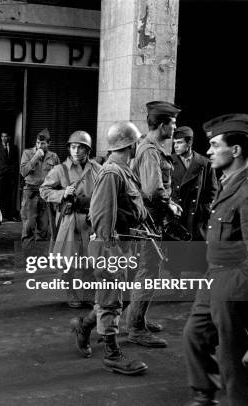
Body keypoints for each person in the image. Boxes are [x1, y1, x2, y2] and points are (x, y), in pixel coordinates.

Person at [183, 113, 248, 406]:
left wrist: (230, 288)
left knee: (235, 358)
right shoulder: (228, 181)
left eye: (215, 145)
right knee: (195, 335)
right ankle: (204, 394)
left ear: (236, 150)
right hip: (214, 276)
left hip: (233, 284)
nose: (208, 151)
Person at [69, 121, 149, 375]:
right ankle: (112, 354)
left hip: (121, 245)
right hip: (108, 246)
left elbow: (131, 209)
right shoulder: (113, 173)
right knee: (111, 300)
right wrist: (109, 252)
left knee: (116, 298)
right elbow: (102, 215)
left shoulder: (124, 170)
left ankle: (84, 326)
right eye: (137, 141)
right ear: (131, 144)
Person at [126, 100, 183, 348]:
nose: (175, 127)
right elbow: (152, 190)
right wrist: (169, 204)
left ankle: (138, 319)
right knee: (147, 273)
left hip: (147, 220)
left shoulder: (149, 147)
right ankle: (136, 329)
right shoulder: (150, 150)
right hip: (150, 221)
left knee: (146, 272)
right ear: (162, 125)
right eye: (172, 123)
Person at [40, 131, 101, 308]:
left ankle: (89, 294)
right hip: (70, 221)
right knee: (69, 261)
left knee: (91, 260)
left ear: (88, 150)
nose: (76, 151)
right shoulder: (59, 170)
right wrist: (62, 193)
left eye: (80, 147)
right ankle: (71, 292)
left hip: (91, 220)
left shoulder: (97, 169)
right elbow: (44, 191)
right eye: (73, 147)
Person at [169, 126, 217, 274]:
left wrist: (205, 209)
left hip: (195, 216)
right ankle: (175, 286)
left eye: (179, 143)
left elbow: (212, 190)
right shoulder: (169, 161)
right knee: (174, 255)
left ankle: (195, 288)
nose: (175, 146)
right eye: (174, 143)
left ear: (189, 143)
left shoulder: (204, 163)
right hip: (176, 213)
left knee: (196, 257)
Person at [19, 129, 60, 250]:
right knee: (28, 226)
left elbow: (59, 176)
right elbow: (23, 172)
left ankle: (39, 259)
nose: (39, 146)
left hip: (46, 194)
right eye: (37, 143)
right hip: (30, 193)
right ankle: (27, 258)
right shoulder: (27, 153)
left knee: (44, 228)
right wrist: (35, 157)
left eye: (42, 143)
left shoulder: (54, 157)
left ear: (49, 143)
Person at [0, 132, 19, 221]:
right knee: (0, 195)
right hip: (0, 175)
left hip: (11, 176)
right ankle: (0, 216)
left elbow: (16, 161)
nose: (4, 138)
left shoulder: (14, 148)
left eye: (6, 136)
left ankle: (10, 215)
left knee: (11, 195)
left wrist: (13, 171)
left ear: (8, 137)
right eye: (2, 136)